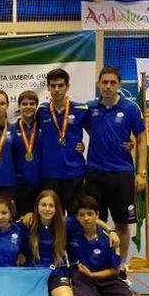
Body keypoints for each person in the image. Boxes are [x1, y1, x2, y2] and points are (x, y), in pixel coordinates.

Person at [83, 67, 148, 263]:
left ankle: (120, 267)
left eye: (112, 83)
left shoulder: (130, 109)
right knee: (95, 223)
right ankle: (99, 265)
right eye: (104, 82)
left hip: (122, 175)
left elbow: (141, 139)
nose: (108, 86)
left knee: (122, 225)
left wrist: (142, 173)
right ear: (99, 84)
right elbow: (83, 128)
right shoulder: (90, 109)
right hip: (95, 174)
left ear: (119, 84)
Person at [69, 196, 138, 296]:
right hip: (82, 278)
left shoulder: (110, 239)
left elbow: (114, 271)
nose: (86, 218)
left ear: (97, 215)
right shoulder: (72, 233)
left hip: (107, 278)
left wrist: (93, 275)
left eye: (90, 214)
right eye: (81, 215)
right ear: (76, 217)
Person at [37, 68, 89, 213]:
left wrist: (83, 145)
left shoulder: (81, 109)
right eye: (53, 86)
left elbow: (97, 133)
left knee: (75, 217)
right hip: (49, 174)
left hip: (74, 173)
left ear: (67, 86)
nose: (57, 89)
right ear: (48, 87)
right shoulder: (41, 111)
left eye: (60, 85)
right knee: (52, 219)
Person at [25, 190, 73, 296]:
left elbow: (91, 220)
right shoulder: (27, 224)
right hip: (34, 276)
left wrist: (110, 231)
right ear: (37, 206)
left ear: (57, 208)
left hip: (57, 273)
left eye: (51, 205)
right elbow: (3, 221)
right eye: (43, 205)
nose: (47, 209)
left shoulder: (65, 224)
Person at [12, 90, 41, 217]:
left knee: (40, 222)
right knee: (22, 221)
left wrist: (79, 145)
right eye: (24, 104)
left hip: (42, 182)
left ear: (36, 106)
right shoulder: (11, 129)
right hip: (20, 184)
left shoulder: (44, 126)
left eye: (32, 103)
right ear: (19, 106)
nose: (28, 107)